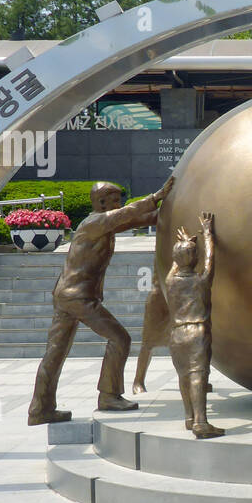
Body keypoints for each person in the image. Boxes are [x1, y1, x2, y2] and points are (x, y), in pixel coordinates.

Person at [29, 176, 175, 425]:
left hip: (67, 295)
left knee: (55, 353)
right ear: (101, 202)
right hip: (78, 297)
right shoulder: (95, 222)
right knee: (120, 338)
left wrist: (167, 213)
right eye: (114, 200)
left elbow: (134, 218)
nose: (119, 204)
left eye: (120, 200)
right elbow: (126, 214)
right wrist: (156, 197)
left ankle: (40, 409)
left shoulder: (103, 223)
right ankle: (109, 395)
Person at [165, 214, 222, 438]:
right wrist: (207, 233)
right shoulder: (201, 281)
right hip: (197, 331)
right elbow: (210, 259)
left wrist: (182, 246)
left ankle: (189, 417)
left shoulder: (170, 281)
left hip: (176, 334)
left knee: (184, 376)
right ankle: (201, 423)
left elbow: (174, 264)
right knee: (198, 375)